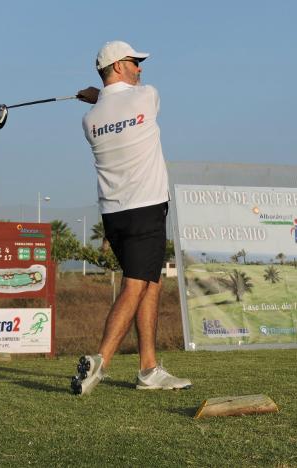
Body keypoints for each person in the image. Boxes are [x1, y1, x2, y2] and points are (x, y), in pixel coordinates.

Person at [70, 40, 192, 396]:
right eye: (135, 62)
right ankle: (101, 362)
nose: (141, 69)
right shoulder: (146, 96)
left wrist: (100, 97)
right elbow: (126, 99)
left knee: (149, 283)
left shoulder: (89, 119)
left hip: (114, 215)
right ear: (120, 65)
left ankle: (148, 368)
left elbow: (111, 104)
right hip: (147, 208)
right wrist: (102, 95)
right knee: (136, 286)